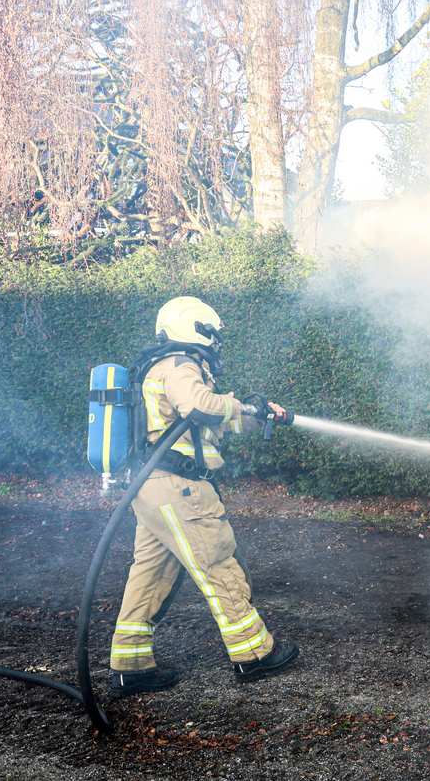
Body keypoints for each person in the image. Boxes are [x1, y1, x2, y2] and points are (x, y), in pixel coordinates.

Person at [108, 295, 299, 697]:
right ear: (194, 327)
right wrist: (239, 402)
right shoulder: (180, 365)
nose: (215, 342)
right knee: (218, 564)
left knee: (151, 574)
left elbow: (212, 424)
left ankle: (130, 664)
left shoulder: (166, 367)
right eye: (211, 333)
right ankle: (253, 654)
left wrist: (259, 415)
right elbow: (199, 406)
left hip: (154, 487)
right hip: (180, 489)